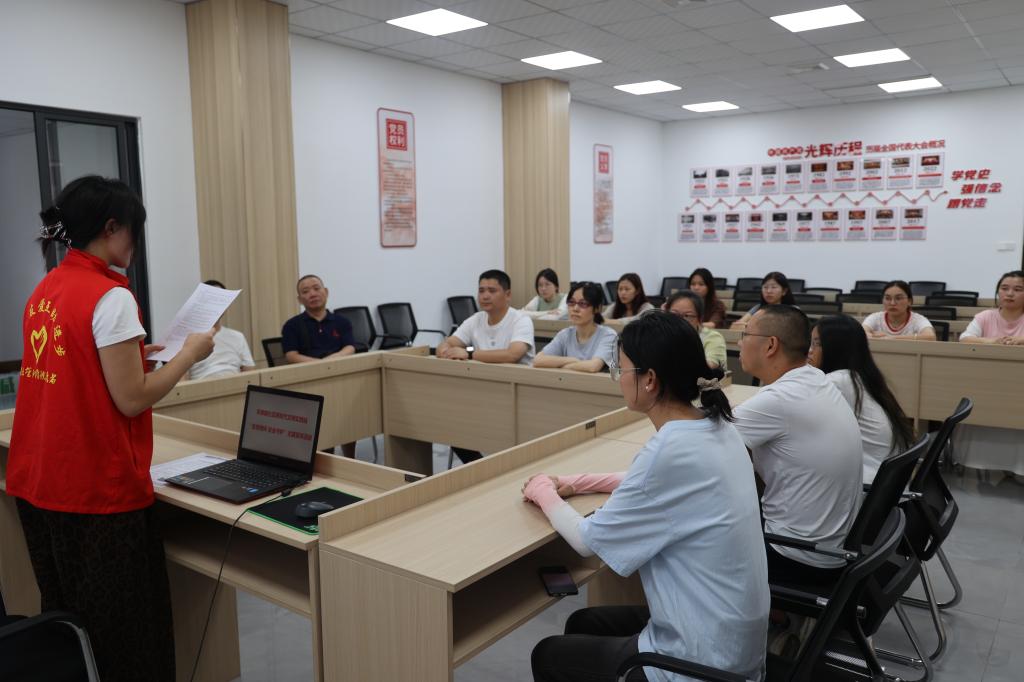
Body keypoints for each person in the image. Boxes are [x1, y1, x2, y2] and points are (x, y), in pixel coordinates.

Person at [8, 176, 215, 682]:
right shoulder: (110, 296)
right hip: (95, 491)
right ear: (111, 227)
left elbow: (73, 366)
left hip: (41, 484)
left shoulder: (46, 289)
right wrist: (188, 354)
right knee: (126, 637)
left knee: (72, 629)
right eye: (134, 231)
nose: (136, 244)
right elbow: (132, 399)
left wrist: (134, 354)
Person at [523, 311, 768, 682]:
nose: (619, 378)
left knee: (548, 654)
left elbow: (587, 541)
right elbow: (652, 483)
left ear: (649, 379)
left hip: (700, 662)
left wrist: (541, 490)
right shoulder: (718, 425)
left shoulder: (668, 450)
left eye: (621, 369)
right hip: (734, 641)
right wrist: (579, 483)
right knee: (584, 622)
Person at [733, 305, 863, 586]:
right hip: (831, 549)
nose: (739, 343)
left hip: (797, 557)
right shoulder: (815, 379)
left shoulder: (780, 398)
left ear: (770, 345)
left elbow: (702, 445)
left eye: (745, 334)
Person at [808, 315, 915, 483]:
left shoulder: (837, 381)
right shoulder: (858, 376)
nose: (809, 351)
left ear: (836, 348)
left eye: (817, 344)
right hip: (887, 481)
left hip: (870, 483)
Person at [438, 269, 535, 365]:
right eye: (481, 291)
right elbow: (449, 343)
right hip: (482, 373)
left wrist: (469, 353)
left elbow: (512, 355)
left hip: (514, 374)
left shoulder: (521, 320)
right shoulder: (475, 319)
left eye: (492, 291)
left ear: (508, 295)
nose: (485, 296)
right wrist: (445, 351)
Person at [534, 282, 616, 373]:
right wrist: (571, 360)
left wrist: (560, 366)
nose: (575, 308)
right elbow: (538, 360)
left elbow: (592, 367)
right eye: (571, 302)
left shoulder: (608, 335)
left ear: (597, 308)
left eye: (583, 303)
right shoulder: (565, 334)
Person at [185, 279, 256, 380]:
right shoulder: (189, 339)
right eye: (211, 300)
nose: (216, 305)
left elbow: (250, 374)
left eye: (220, 300)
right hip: (202, 387)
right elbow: (181, 381)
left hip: (236, 386)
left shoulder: (237, 336)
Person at [281, 274, 356, 363]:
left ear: (326, 292)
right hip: (308, 370)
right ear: (300, 300)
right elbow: (291, 355)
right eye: (305, 291)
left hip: (339, 367)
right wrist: (319, 365)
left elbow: (350, 347)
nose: (313, 294)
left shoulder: (342, 321)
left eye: (316, 288)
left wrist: (330, 362)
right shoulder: (291, 325)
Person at [663, 290, 726, 369]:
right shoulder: (663, 335)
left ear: (700, 319)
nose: (680, 320)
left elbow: (711, 366)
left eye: (687, 316)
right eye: (674, 314)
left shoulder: (712, 337)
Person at [959, 270, 1024, 345]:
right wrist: (990, 341)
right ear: (998, 292)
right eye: (1004, 288)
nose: (1009, 294)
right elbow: (964, 338)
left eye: (1017, 290)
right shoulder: (985, 316)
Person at [861, 280, 936, 341]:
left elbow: (931, 337)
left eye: (898, 298)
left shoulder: (918, 319)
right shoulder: (875, 317)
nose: (892, 303)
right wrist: (870, 335)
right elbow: (861, 333)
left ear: (909, 301)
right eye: (887, 298)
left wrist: (891, 338)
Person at [731, 272, 796, 330]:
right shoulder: (758, 308)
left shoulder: (794, 310)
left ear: (784, 291)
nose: (768, 291)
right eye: (765, 287)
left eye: (774, 287)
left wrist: (751, 327)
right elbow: (735, 326)